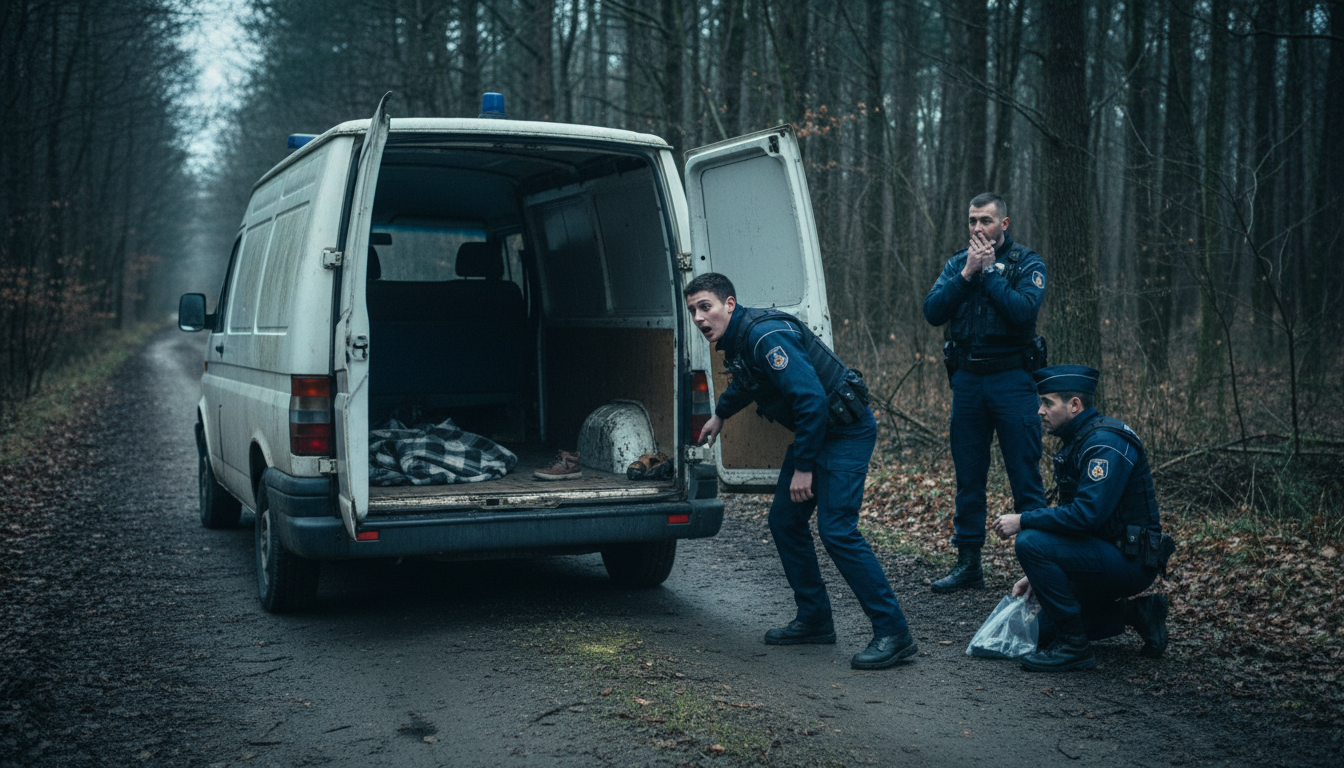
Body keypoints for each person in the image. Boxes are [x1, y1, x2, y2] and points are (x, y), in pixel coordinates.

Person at [687, 273, 917, 670]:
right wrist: (720, 414)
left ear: (730, 304)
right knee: (785, 521)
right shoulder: (740, 339)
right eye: (693, 310)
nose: (698, 318)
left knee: (838, 530)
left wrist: (804, 469)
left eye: (705, 307)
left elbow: (811, 401)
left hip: (845, 431)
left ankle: (894, 633)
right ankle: (815, 619)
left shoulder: (765, 336)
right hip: (820, 432)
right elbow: (748, 381)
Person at [991, 365, 1174, 672]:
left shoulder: (1105, 444)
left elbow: (1086, 516)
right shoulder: (1080, 439)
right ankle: (1138, 613)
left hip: (1129, 561)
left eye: (1047, 403)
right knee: (1041, 632)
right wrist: (1038, 574)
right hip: (1102, 552)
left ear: (1074, 405)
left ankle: (1074, 648)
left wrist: (1023, 519)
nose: (1040, 411)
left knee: (1029, 540)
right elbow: (1071, 524)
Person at [922, 192, 1048, 593]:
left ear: (1003, 224)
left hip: (1013, 380)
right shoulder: (957, 264)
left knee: (1024, 473)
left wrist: (990, 272)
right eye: (973, 220)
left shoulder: (1027, 263)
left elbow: (1023, 312)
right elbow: (932, 312)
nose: (978, 228)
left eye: (986, 221)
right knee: (969, 474)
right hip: (968, 382)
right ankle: (968, 564)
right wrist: (966, 274)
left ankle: (1042, 567)